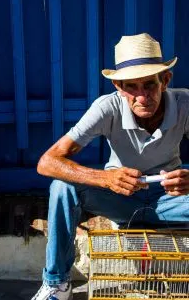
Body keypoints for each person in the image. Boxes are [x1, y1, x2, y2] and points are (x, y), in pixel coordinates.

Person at [31, 33, 189, 300]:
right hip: (121, 198)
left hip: (170, 199)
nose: (142, 97)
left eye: (149, 85)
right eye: (131, 87)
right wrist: (104, 179)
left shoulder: (185, 103)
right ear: (117, 86)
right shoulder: (107, 107)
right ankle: (57, 283)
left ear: (165, 80)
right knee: (62, 187)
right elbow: (47, 162)